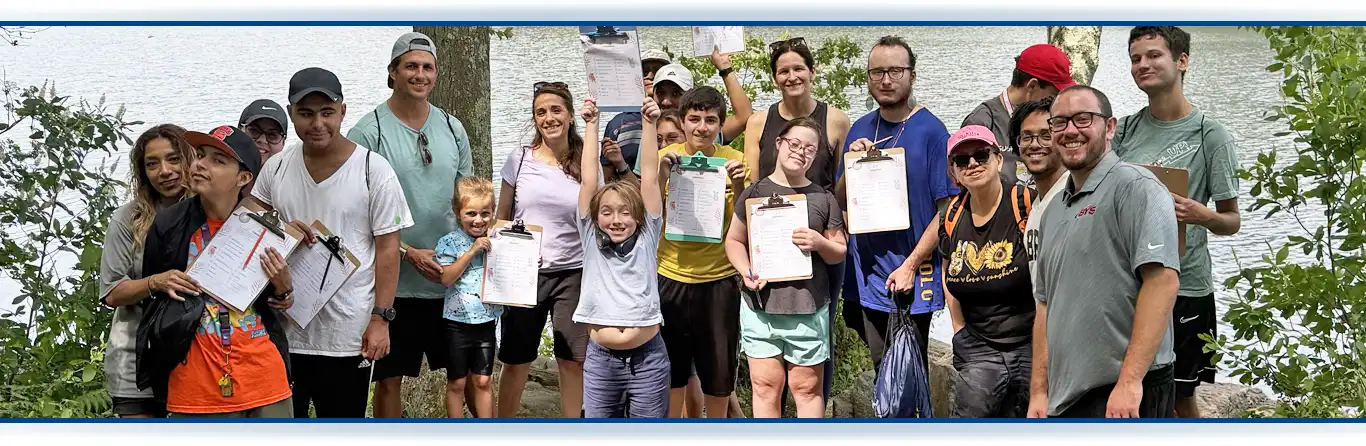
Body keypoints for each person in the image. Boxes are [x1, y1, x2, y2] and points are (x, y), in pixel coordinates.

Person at [252, 67, 412, 418]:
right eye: (306, 113)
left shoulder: (373, 170)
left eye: (327, 112)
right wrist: (280, 227)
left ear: (342, 111)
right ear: (291, 113)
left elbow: (388, 249)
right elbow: (248, 226)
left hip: (348, 334)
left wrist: (381, 319)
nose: (317, 123)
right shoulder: (276, 168)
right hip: (284, 331)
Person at [1113, 26, 1242, 418]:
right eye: (1136, 58)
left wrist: (1203, 215)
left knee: (1180, 396)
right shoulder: (1125, 129)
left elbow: (1231, 220)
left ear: (1182, 61)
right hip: (1129, 281)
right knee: (1128, 389)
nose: (1142, 65)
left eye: (1154, 55)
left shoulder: (1211, 135)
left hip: (1186, 285)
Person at [1029, 85, 1180, 418]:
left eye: (1083, 119)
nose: (1070, 131)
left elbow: (1162, 282)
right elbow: (1045, 305)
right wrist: (1039, 392)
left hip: (1124, 393)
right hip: (1066, 397)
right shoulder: (1053, 209)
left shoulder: (1137, 188)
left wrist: (1130, 382)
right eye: (1060, 122)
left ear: (1109, 127)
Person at [346, 31, 475, 418]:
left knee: (470, 376)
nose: (420, 75)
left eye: (427, 67)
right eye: (411, 66)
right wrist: (407, 252)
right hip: (395, 286)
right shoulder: (368, 133)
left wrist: (466, 256)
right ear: (393, 72)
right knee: (389, 379)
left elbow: (468, 202)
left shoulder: (452, 128)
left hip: (449, 281)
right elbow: (355, 217)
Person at [137, 125, 295, 418]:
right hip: (194, 385)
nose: (200, 165)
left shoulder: (264, 228)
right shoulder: (168, 225)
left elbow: (277, 306)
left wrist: (284, 288)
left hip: (266, 381)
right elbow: (154, 307)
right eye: (199, 155)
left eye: (217, 160)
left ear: (243, 178)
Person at [837, 36, 957, 377]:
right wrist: (851, 163)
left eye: (895, 71)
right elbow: (841, 200)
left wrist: (911, 264)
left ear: (912, 76)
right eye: (877, 72)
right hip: (867, 274)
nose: (886, 80)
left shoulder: (932, 131)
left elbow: (947, 210)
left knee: (908, 373)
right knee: (883, 370)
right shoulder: (861, 128)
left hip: (911, 274)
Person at [745, 35, 851, 405]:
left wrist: (830, 235)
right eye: (783, 71)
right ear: (775, 77)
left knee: (819, 334)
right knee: (765, 340)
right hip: (769, 246)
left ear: (812, 72)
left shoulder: (836, 120)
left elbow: (842, 186)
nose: (792, 76)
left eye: (798, 68)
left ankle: (815, 408)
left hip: (818, 244)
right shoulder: (759, 122)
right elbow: (751, 185)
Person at [725, 117, 847, 418]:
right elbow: (734, 241)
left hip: (807, 307)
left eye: (809, 148)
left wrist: (820, 243)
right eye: (795, 144)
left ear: (815, 156)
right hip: (760, 308)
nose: (800, 152)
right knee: (765, 386)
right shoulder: (753, 193)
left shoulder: (823, 197)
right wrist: (745, 271)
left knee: (806, 389)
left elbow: (839, 251)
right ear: (779, 143)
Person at [495, 82, 593, 418]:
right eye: (541, 112)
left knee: (572, 360)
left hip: (574, 273)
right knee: (516, 359)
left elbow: (598, 216)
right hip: (525, 274)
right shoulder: (520, 159)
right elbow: (502, 217)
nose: (549, 118)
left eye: (555, 110)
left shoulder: (586, 160)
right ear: (535, 119)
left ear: (569, 116)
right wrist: (504, 263)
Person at [652, 86, 747, 418]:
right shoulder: (666, 157)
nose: (702, 127)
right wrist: (660, 176)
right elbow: (646, 216)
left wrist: (739, 184)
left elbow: (747, 223)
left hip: (718, 280)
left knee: (718, 374)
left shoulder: (735, 160)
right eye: (694, 119)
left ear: (721, 124)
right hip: (669, 276)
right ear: (682, 121)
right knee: (671, 371)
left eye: (710, 120)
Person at [575, 95, 669, 418]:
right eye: (607, 212)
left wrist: (649, 123)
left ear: (639, 216)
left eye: (625, 212)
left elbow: (650, 176)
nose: (616, 220)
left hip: (648, 360)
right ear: (595, 216)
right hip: (601, 361)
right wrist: (591, 124)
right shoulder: (591, 236)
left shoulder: (647, 234)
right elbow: (590, 179)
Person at [936, 125, 1036, 418]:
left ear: (998, 160)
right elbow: (947, 268)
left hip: (1030, 341)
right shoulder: (952, 215)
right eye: (961, 160)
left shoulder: (1026, 204)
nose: (972, 164)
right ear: (954, 172)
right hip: (977, 346)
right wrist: (958, 328)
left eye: (981, 155)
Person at [100, 124, 196, 418]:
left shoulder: (210, 211)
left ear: (191, 160)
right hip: (135, 360)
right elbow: (112, 292)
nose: (164, 171)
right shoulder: (127, 218)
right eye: (152, 164)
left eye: (173, 159)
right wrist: (155, 282)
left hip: (195, 361)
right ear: (142, 172)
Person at [604, 49, 754, 184]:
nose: (666, 101)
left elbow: (744, 116)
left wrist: (725, 68)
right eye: (660, 93)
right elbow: (644, 188)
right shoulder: (648, 134)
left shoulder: (705, 132)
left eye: (676, 94)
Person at [433, 176, 501, 418]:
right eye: (471, 213)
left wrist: (527, 259)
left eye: (485, 213)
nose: (478, 220)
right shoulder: (448, 243)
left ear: (493, 212)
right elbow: (446, 278)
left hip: (486, 321)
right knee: (457, 382)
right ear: (457, 212)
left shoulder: (499, 240)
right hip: (457, 324)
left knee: (483, 380)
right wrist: (472, 251)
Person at [961, 44, 1076, 185]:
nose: (1058, 100)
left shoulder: (1056, 118)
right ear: (1032, 86)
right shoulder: (981, 122)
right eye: (1054, 94)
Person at [1011, 97, 1068, 309]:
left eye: (1046, 136)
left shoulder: (1074, 197)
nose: (1035, 144)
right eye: (1026, 137)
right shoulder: (1035, 205)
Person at [599, 49, 671, 183]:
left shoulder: (685, 120)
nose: (649, 76)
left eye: (657, 72)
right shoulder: (618, 124)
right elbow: (607, 177)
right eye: (644, 72)